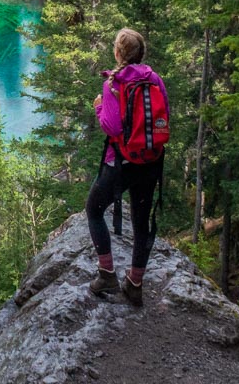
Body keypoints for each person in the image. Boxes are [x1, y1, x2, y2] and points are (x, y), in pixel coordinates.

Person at [86, 28, 168, 307]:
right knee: (141, 222)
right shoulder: (154, 79)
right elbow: (164, 116)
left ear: (118, 53)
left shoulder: (113, 83)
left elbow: (111, 127)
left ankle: (107, 274)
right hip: (151, 160)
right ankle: (135, 284)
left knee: (94, 210)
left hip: (121, 162)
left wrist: (99, 107)